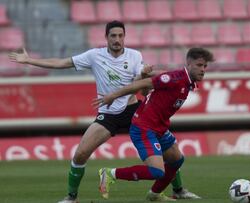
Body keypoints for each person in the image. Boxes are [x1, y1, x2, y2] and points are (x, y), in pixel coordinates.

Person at [9, 20, 200, 203]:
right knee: (80, 154)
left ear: (124, 37)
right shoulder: (94, 55)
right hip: (108, 114)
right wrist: (29, 60)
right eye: (113, 36)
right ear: (106, 37)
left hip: (134, 110)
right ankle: (71, 197)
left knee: (171, 154)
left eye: (120, 35)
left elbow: (143, 80)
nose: (117, 39)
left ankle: (178, 190)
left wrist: (145, 73)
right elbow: (62, 63)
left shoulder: (134, 55)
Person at [93, 47, 214, 201]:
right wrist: (113, 96)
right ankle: (110, 173)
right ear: (189, 64)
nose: (203, 70)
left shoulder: (186, 81)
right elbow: (142, 83)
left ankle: (156, 194)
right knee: (157, 172)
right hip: (143, 127)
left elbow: (151, 83)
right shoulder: (176, 79)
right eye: (199, 65)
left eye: (205, 66)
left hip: (159, 127)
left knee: (177, 159)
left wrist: (146, 75)